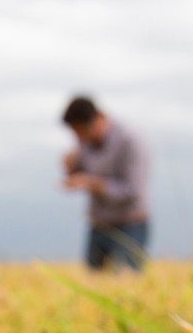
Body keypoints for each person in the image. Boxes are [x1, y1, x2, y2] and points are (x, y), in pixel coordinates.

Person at [60, 96, 150, 272]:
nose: (80, 139)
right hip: (99, 224)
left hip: (130, 224)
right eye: (76, 134)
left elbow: (133, 191)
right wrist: (71, 169)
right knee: (93, 283)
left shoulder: (131, 142)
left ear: (98, 118)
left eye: (82, 132)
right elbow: (80, 174)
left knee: (126, 282)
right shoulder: (84, 143)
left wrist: (92, 183)